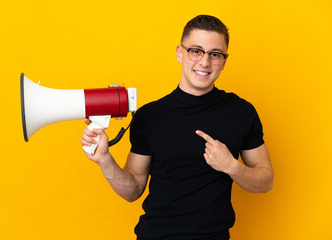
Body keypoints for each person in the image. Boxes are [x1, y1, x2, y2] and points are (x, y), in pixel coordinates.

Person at [81, 15, 274, 240]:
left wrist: (232, 166)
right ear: (180, 53)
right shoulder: (150, 116)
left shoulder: (241, 112)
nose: (204, 62)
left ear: (224, 60)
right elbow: (132, 190)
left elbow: (265, 181)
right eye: (196, 51)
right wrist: (104, 159)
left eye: (215, 54)